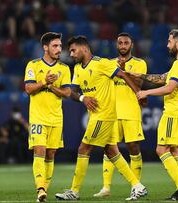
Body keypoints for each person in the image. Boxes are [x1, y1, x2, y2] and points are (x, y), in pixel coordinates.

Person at [55, 35, 147, 201]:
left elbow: (124, 76)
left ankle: (74, 191)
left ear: (84, 48)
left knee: (83, 149)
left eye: (73, 50)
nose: (71, 54)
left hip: (103, 115)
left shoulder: (102, 63)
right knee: (111, 151)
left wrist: (138, 93)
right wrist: (83, 98)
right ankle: (137, 186)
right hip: (96, 116)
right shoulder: (77, 68)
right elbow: (72, 92)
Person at [136, 29, 178, 200]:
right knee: (174, 151)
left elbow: (169, 88)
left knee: (161, 149)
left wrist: (146, 93)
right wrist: (140, 75)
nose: (167, 44)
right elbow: (163, 78)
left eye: (169, 41)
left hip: (173, 112)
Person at [93, 33, 147, 197]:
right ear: (117, 45)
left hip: (131, 111)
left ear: (131, 45)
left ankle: (135, 188)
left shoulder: (140, 63)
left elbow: (139, 84)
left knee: (133, 147)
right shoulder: (109, 64)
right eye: (120, 43)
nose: (123, 45)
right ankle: (106, 187)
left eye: (126, 43)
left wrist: (123, 71)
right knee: (109, 148)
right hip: (113, 112)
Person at [24, 32, 71, 202]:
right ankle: (41, 189)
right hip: (38, 117)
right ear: (45, 47)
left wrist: (51, 87)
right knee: (40, 150)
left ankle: (44, 191)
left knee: (51, 154)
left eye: (60, 46)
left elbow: (67, 92)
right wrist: (44, 82)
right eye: (55, 46)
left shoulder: (64, 69)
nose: (59, 49)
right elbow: (28, 89)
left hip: (56, 118)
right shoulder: (33, 65)